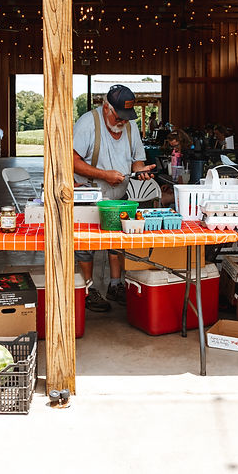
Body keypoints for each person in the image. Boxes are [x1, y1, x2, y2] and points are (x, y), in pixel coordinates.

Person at [73, 85, 156, 312]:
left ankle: (115, 285)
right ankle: (88, 289)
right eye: (119, 117)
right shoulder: (88, 123)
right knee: (85, 244)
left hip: (119, 196)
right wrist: (104, 175)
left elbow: (137, 160)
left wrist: (140, 170)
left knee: (117, 241)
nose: (122, 122)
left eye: (126, 118)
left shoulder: (130, 126)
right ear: (106, 108)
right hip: (89, 194)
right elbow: (71, 160)